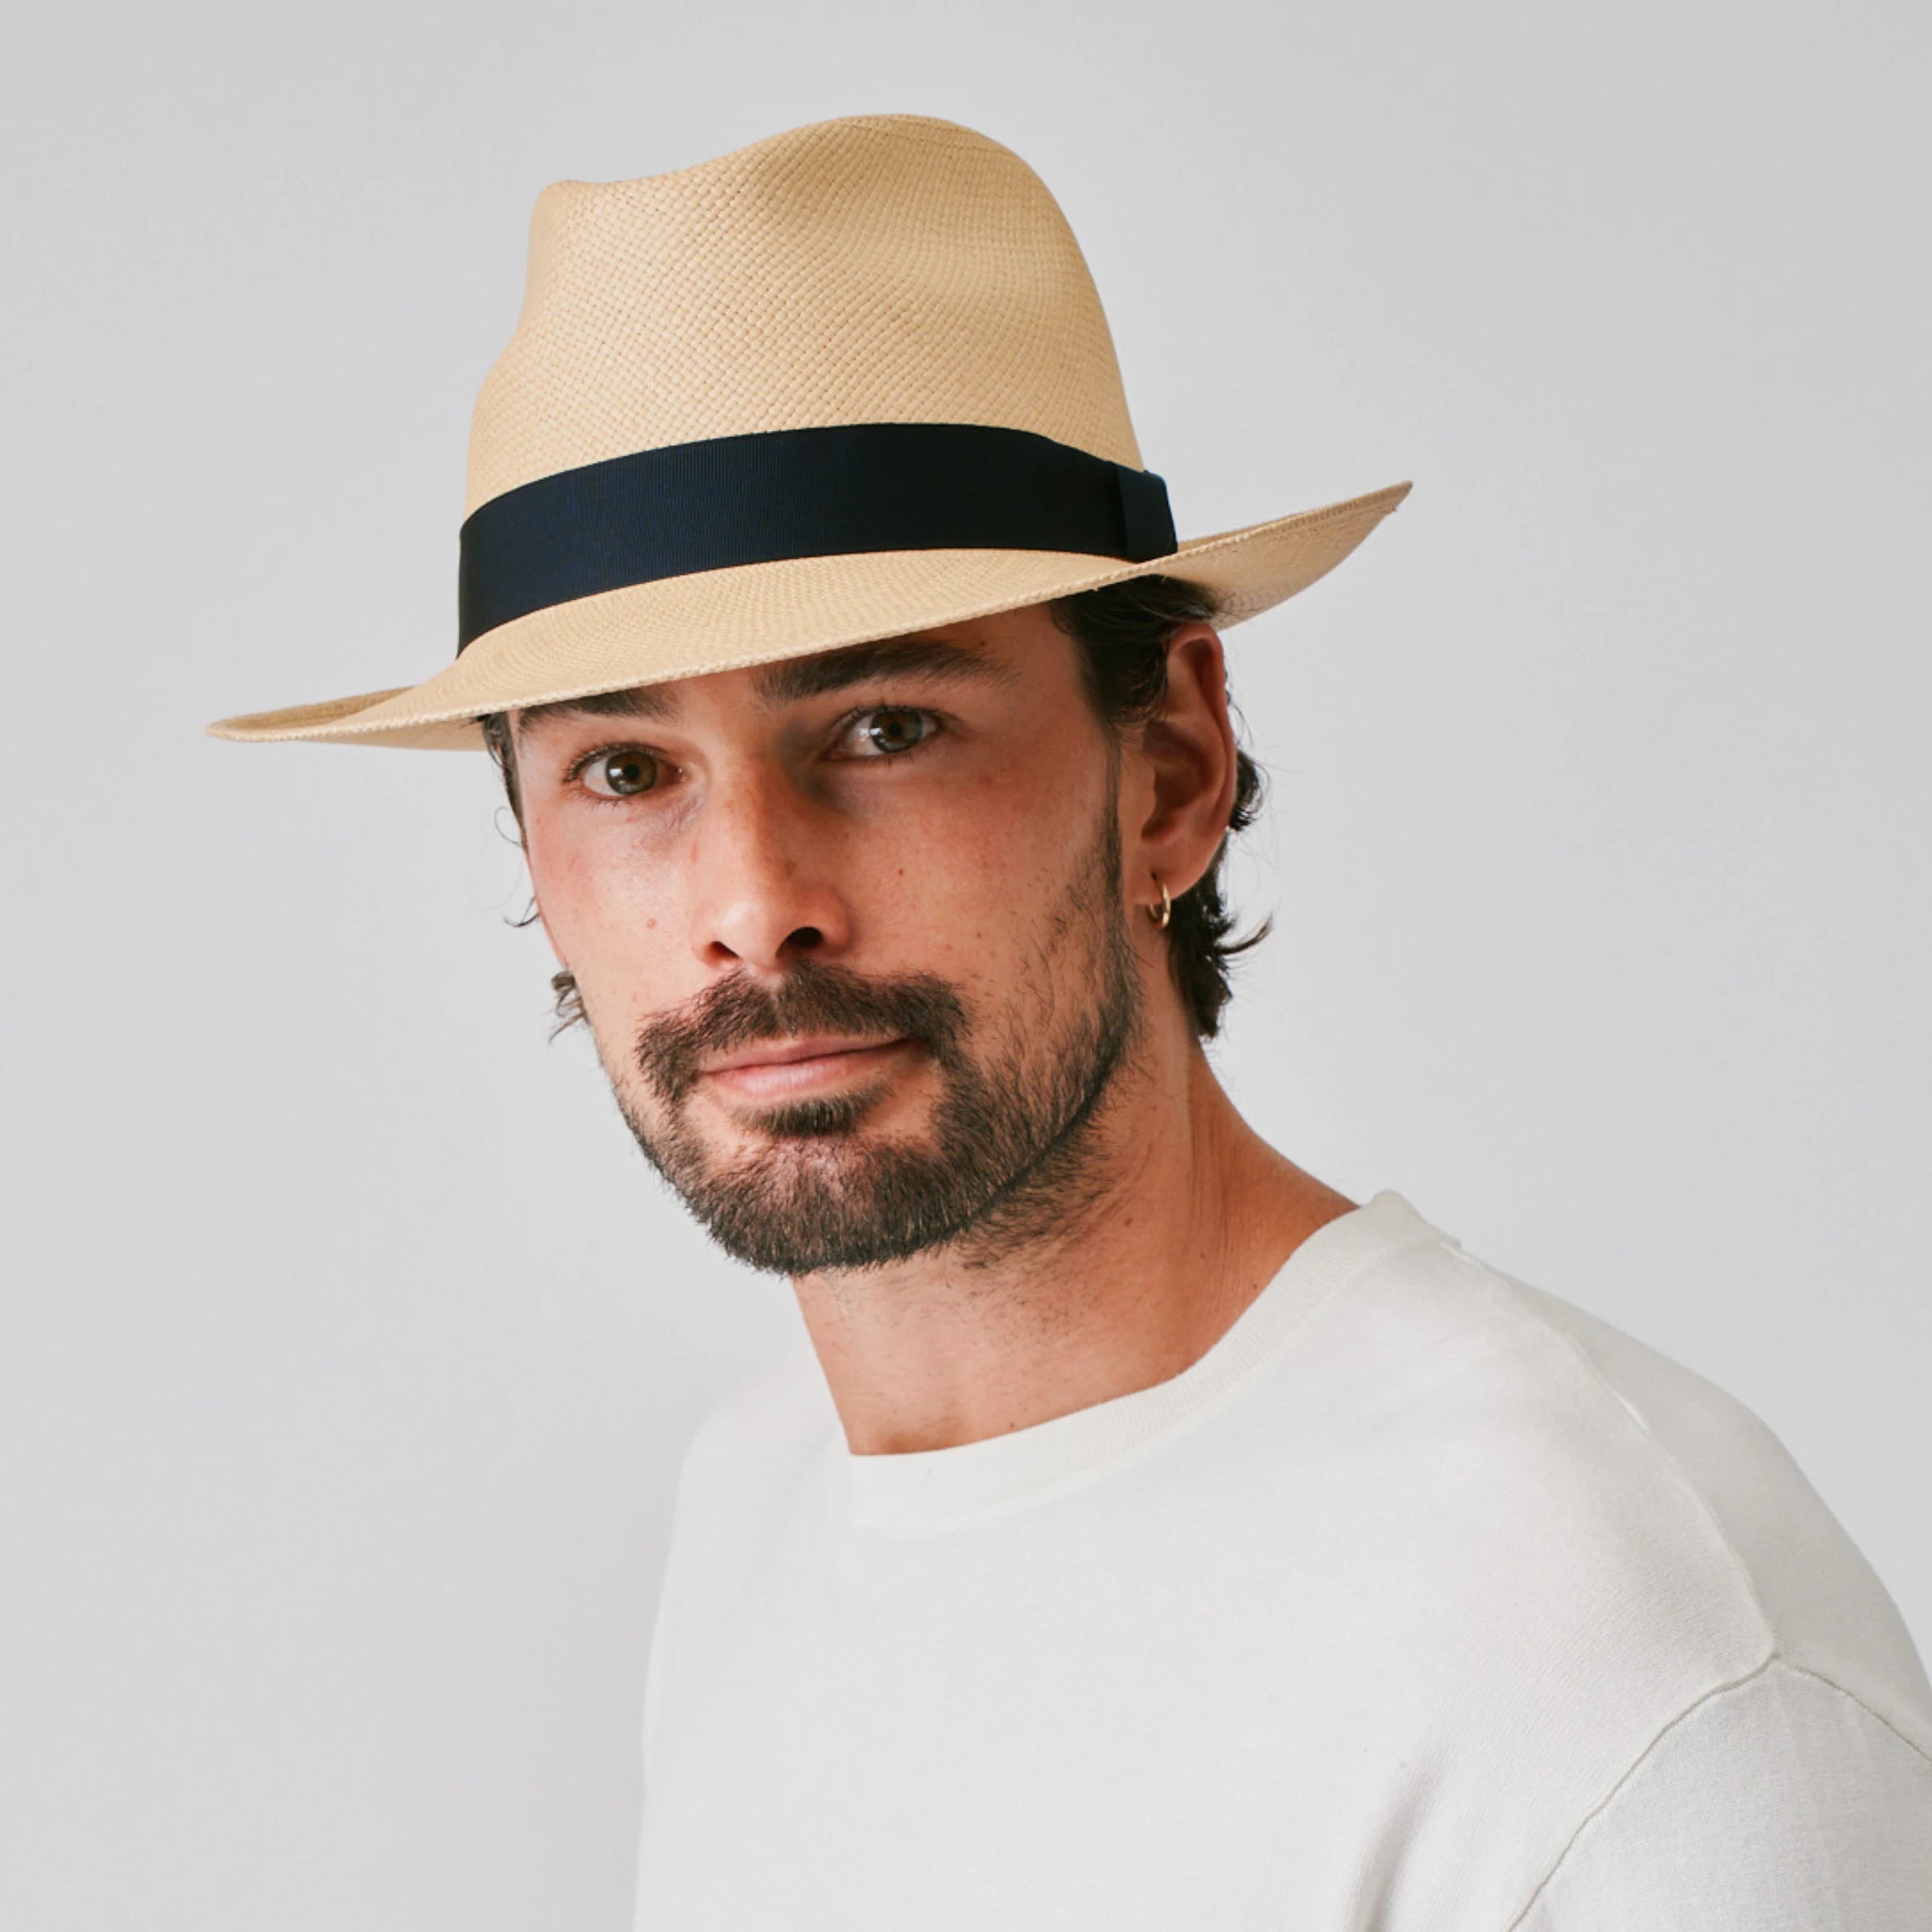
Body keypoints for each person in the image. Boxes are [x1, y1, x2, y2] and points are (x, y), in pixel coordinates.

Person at [212, 114, 1932, 1929]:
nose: (748, 898)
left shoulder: (1636, 1686)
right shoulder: (757, 1505)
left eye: (881, 726)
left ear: (1172, 770)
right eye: (627, 769)